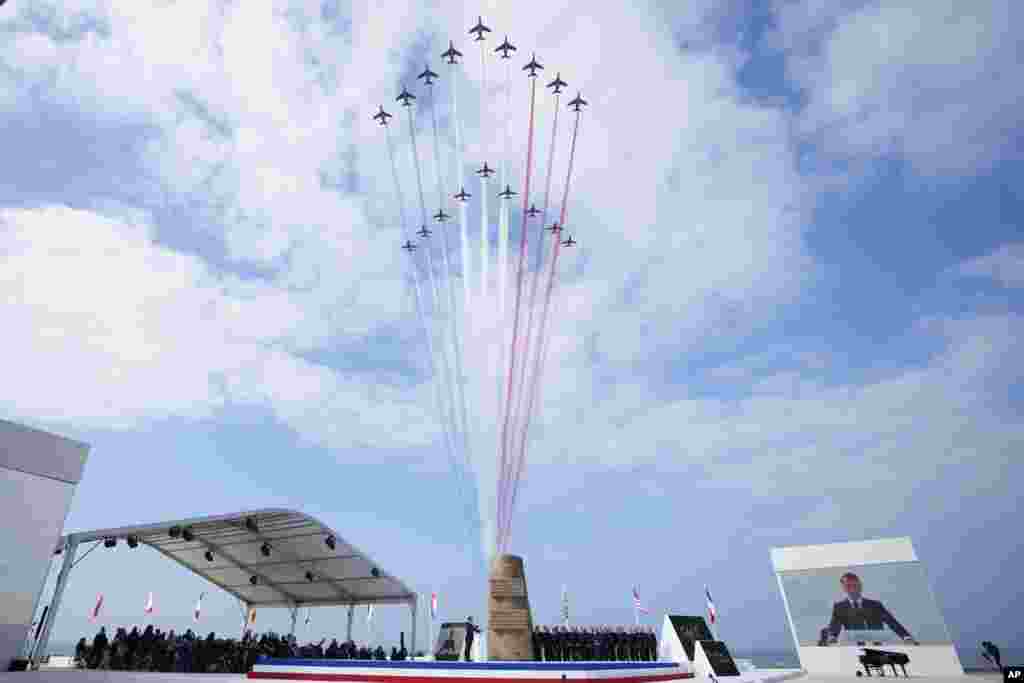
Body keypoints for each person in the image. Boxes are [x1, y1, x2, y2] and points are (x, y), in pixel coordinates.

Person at [826, 572, 916, 643]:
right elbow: (835, 625)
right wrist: (832, 637)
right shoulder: (839, 607)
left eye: (855, 585)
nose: (853, 588)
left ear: (860, 585)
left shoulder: (875, 605)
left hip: (878, 646)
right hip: (854, 648)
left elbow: (891, 622)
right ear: (843, 588)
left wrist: (906, 637)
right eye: (848, 586)